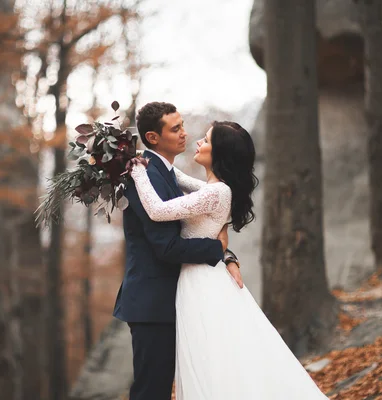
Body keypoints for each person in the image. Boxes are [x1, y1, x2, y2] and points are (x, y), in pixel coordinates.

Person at [128, 121, 329, 399]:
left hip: (202, 282)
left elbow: (158, 210)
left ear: (219, 152)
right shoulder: (213, 188)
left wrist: (137, 172)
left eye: (206, 140)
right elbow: (177, 177)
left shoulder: (217, 192)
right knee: (212, 357)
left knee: (213, 358)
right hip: (200, 277)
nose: (198, 141)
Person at [113, 102, 243, 400]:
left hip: (175, 299)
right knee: (151, 391)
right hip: (153, 303)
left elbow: (204, 221)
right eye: (176, 128)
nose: (185, 133)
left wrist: (227, 254)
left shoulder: (167, 173)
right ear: (153, 137)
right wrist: (216, 248)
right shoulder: (145, 175)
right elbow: (166, 247)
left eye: (182, 125)